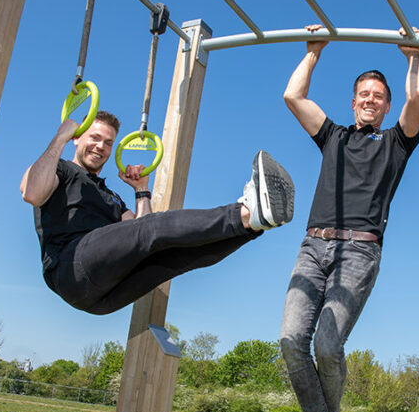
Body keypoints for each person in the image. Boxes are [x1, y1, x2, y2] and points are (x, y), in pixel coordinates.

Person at [280, 25, 419, 412]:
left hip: (359, 251)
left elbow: (418, 99)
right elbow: (293, 95)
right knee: (289, 339)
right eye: (363, 94)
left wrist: (414, 59)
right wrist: (313, 53)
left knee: (326, 344)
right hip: (313, 246)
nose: (369, 100)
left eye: (378, 96)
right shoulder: (334, 137)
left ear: (385, 106)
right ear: (353, 102)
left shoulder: (396, 145)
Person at [21, 111, 294, 315]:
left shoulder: (109, 196)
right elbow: (31, 193)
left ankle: (254, 224)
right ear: (77, 138)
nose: (101, 147)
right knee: (152, 230)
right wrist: (60, 137)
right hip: (71, 268)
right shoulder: (62, 170)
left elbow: (139, 239)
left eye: (108, 142)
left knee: (170, 257)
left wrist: (142, 190)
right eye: (94, 138)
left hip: (100, 298)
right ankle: (246, 212)